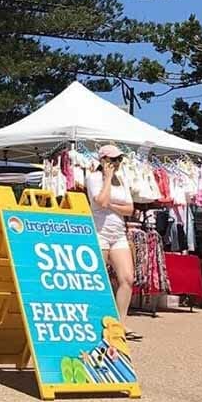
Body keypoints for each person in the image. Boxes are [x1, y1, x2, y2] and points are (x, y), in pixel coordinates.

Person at [86, 144, 139, 340]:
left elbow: (130, 209)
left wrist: (112, 205)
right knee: (98, 280)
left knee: (127, 278)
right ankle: (96, 320)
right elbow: (100, 201)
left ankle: (120, 323)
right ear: (103, 160)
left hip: (118, 234)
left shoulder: (123, 181)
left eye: (119, 160)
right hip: (99, 232)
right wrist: (107, 179)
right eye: (113, 160)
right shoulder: (93, 178)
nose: (117, 163)